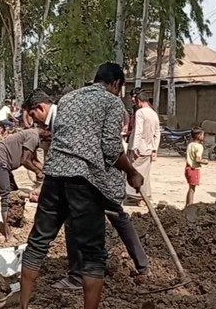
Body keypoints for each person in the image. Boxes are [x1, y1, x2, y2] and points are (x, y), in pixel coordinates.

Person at [8, 62, 144, 309]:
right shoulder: (112, 103)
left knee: (38, 242)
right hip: (83, 182)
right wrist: (131, 171)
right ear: (117, 84)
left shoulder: (68, 98)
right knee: (94, 255)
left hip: (54, 177)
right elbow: (109, 148)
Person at [23, 88, 150, 289]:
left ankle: (77, 276)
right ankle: (142, 265)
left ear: (40, 107)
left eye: (32, 115)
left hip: (90, 178)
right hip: (94, 176)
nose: (35, 121)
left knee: (82, 222)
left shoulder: (64, 116)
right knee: (116, 217)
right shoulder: (69, 112)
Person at [0, 127, 48, 243]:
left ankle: (15, 223)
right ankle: (7, 234)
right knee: (7, 197)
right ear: (46, 131)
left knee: (15, 193)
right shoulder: (33, 136)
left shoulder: (34, 137)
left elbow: (34, 160)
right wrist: (38, 172)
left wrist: (46, 172)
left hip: (4, 164)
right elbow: (25, 160)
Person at [125, 90, 160, 205]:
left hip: (139, 148)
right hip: (149, 148)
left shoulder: (140, 113)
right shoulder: (153, 113)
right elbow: (157, 132)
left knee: (134, 172)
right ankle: (141, 198)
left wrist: (135, 147)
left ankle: (138, 197)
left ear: (139, 101)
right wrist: (155, 148)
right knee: (145, 173)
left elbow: (138, 131)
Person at [185, 127, 207, 207]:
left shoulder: (190, 144)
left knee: (190, 188)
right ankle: (190, 206)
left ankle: (187, 204)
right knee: (192, 189)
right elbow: (197, 159)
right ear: (199, 136)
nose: (204, 137)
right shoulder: (199, 147)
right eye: (203, 135)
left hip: (187, 168)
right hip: (194, 169)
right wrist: (204, 162)